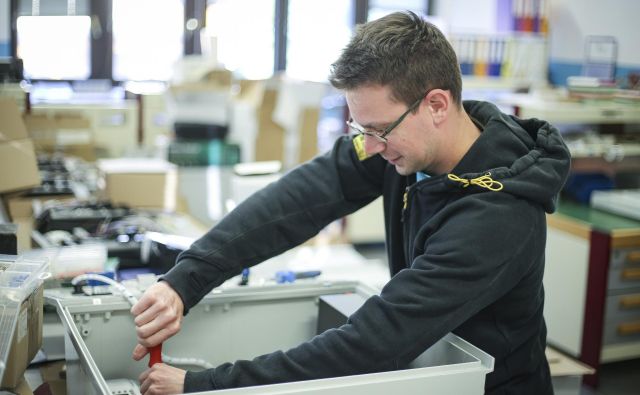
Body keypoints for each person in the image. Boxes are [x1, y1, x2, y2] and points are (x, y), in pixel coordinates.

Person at [131, 10, 570, 395]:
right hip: (428, 366)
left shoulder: (497, 218)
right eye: (361, 130)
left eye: (378, 130)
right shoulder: (406, 140)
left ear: (436, 104)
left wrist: (203, 385)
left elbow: (371, 342)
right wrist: (184, 280)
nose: (371, 146)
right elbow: (302, 197)